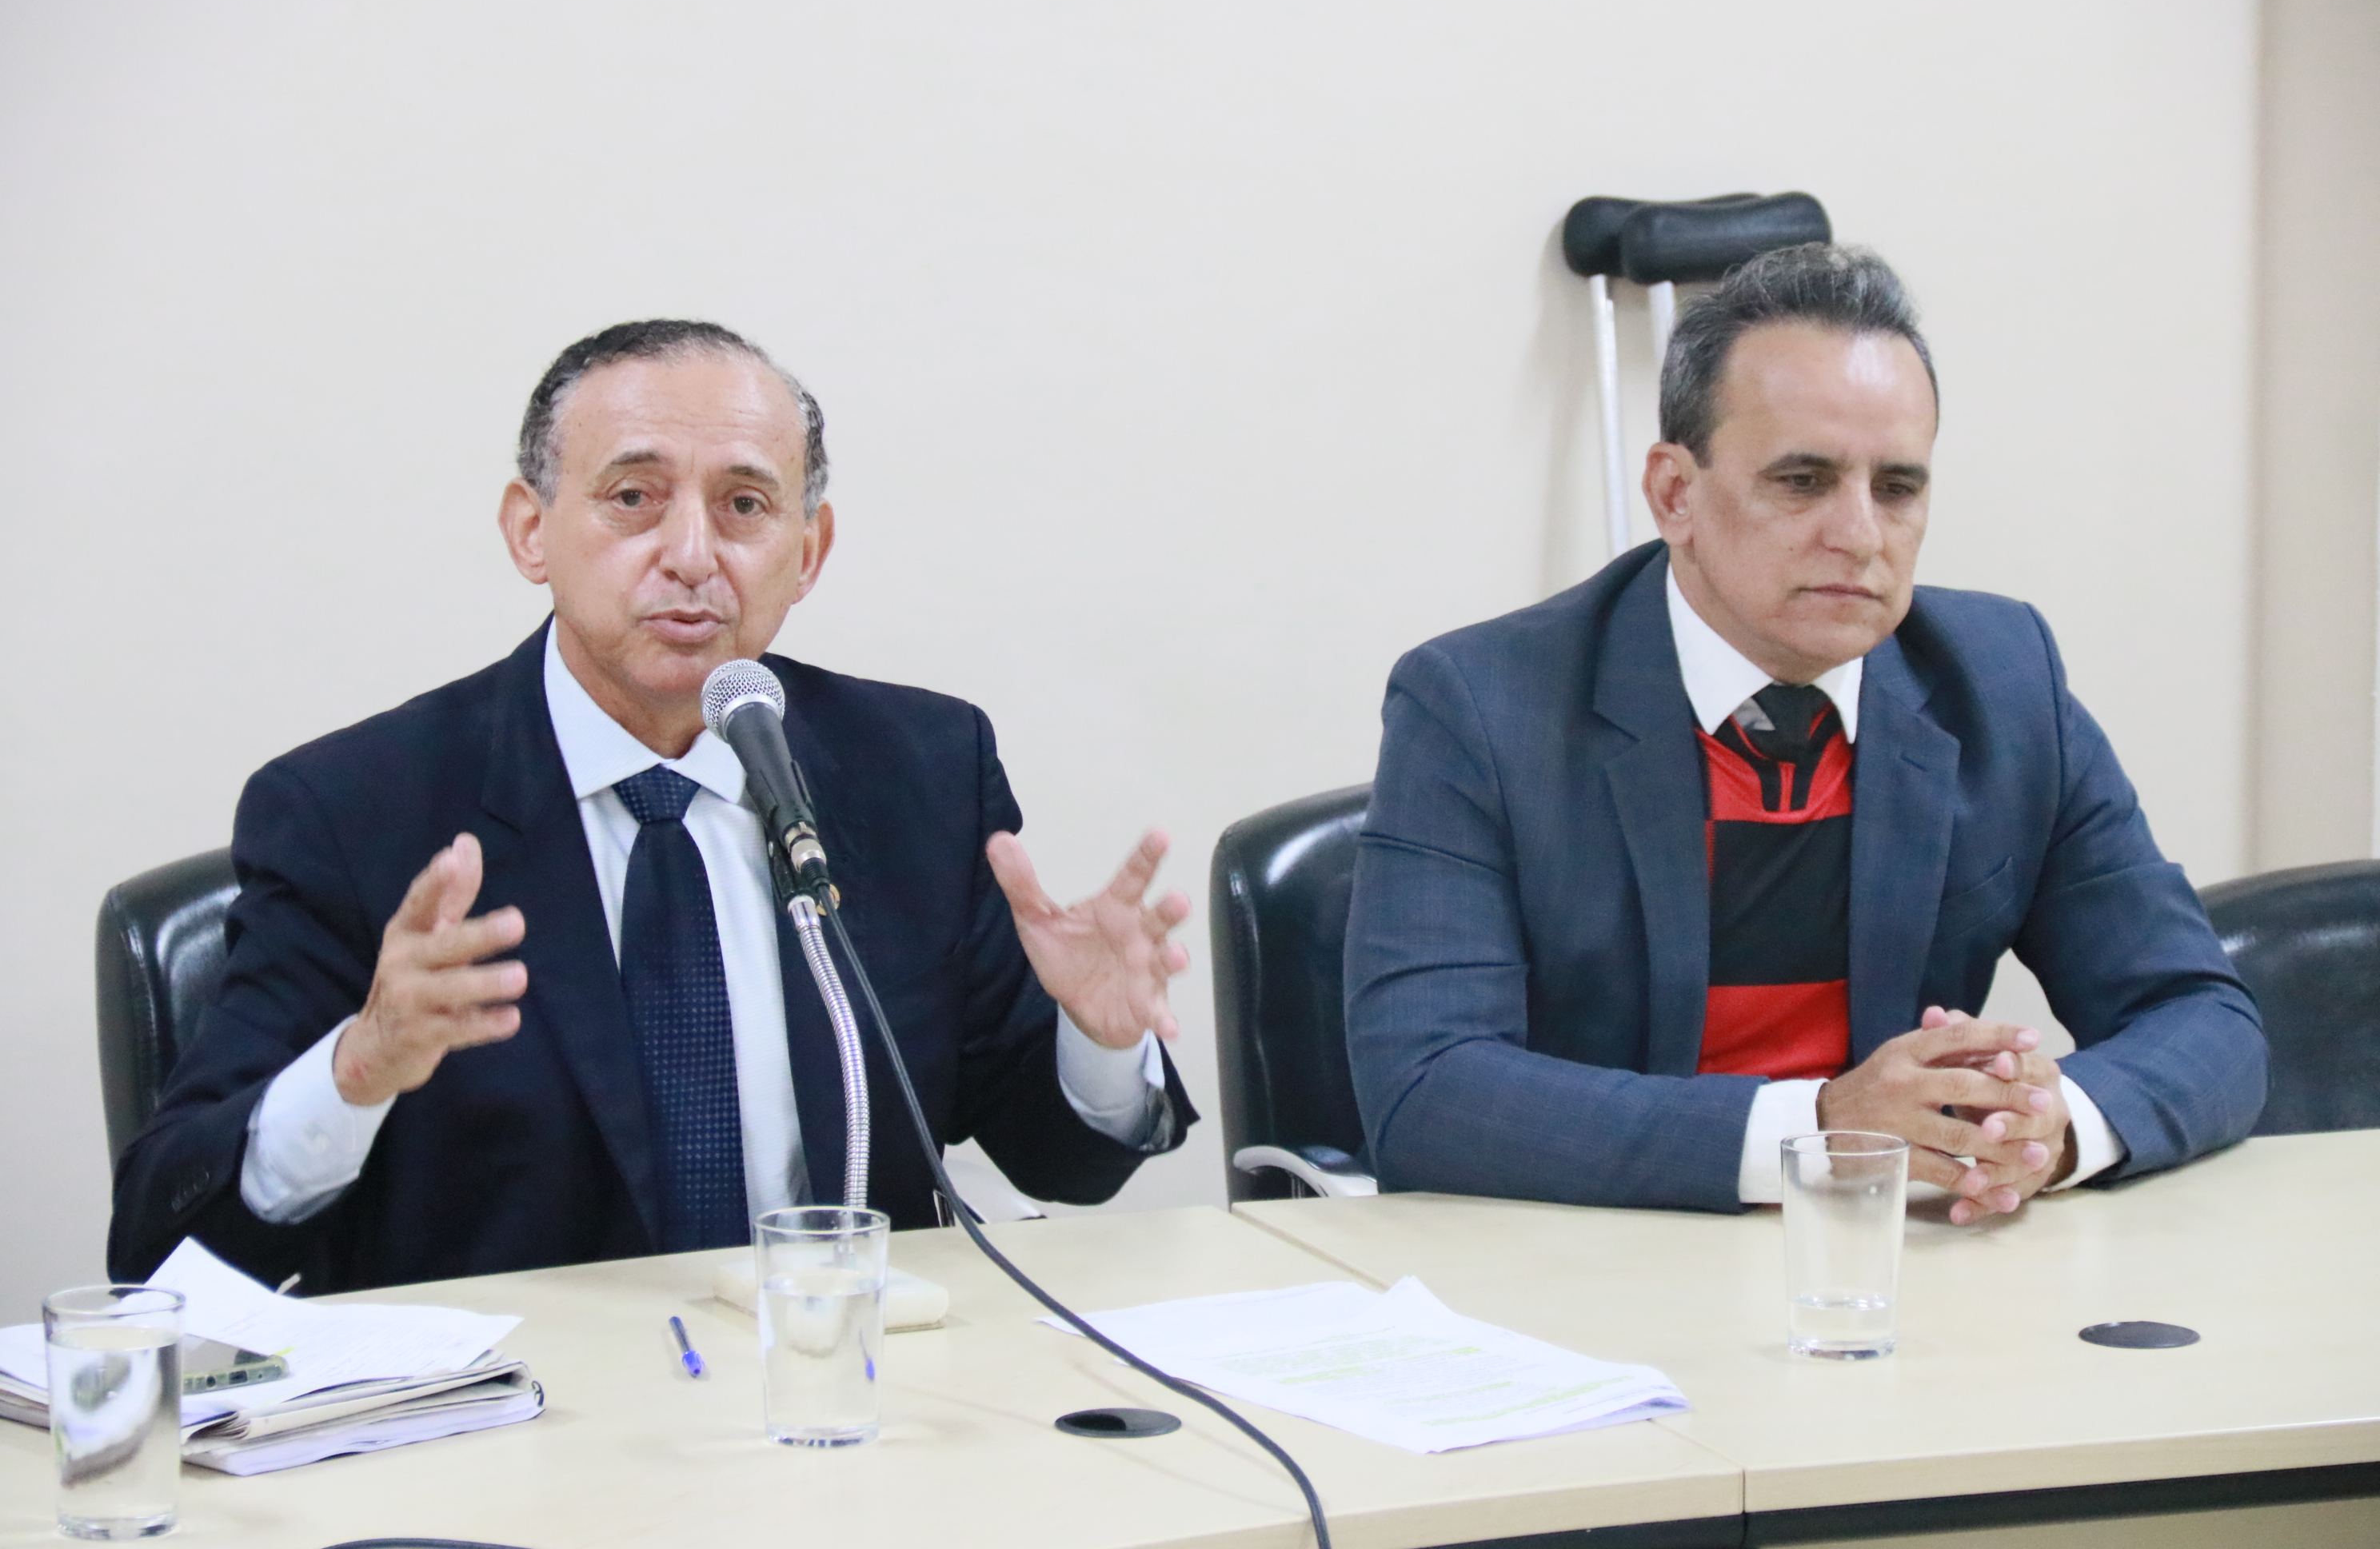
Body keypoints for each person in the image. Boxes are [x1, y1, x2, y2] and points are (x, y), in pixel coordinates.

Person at [110, 320, 1197, 1291]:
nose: (690, 556)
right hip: (521, 1425)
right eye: (633, 498)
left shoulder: (918, 769)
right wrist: (358, 1069)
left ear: (807, 552)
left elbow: (1058, 1160)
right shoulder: (355, 811)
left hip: (839, 1395)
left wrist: (1099, 1041)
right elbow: (161, 1240)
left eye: (744, 506)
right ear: (530, 531)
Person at [1344, 246, 2266, 1224]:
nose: (1860, 534)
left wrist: (2052, 1127)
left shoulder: (2004, 685)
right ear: (1674, 494)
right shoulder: (1481, 705)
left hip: (1900, 1265)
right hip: (1594, 1255)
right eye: (1803, 480)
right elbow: (1427, 1089)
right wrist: (1819, 1132)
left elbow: (2205, 1018)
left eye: (1897, 487)